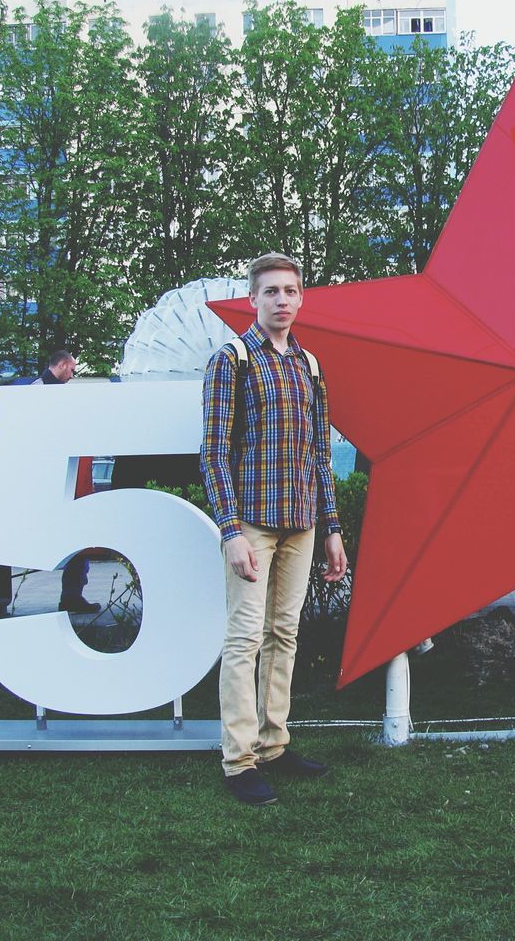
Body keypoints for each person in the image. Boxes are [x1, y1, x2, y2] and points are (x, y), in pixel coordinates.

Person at [201, 251, 347, 806]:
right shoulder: (232, 360)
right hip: (252, 526)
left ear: (301, 298)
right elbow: (214, 453)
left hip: (302, 524)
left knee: (283, 635)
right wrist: (230, 530)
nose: (282, 300)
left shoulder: (309, 365)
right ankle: (238, 763)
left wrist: (331, 527)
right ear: (253, 299)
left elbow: (318, 455)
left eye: (290, 291)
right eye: (271, 292)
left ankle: (274, 745)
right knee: (244, 640)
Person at [31, 349, 99, 614]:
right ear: (60, 365)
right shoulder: (38, 395)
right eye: (71, 369)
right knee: (76, 538)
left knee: (77, 540)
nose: (72, 375)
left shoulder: (49, 394)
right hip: (57, 481)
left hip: (64, 479)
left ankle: (72, 595)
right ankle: (71, 595)